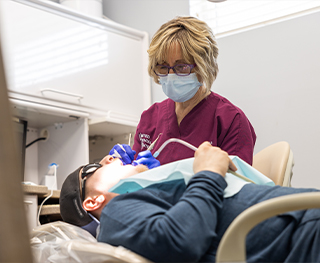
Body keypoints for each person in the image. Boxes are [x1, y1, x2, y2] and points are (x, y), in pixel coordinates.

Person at [60, 142, 320, 263]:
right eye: (93, 168)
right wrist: (208, 172)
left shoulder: (146, 195)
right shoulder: (116, 212)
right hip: (302, 236)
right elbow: (179, 240)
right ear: (92, 201)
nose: (108, 159)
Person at [109, 16, 256, 166]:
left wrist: (165, 178)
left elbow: (235, 183)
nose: (171, 75)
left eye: (182, 67)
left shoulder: (230, 120)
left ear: (203, 66)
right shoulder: (150, 119)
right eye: (163, 67)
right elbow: (133, 180)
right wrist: (121, 166)